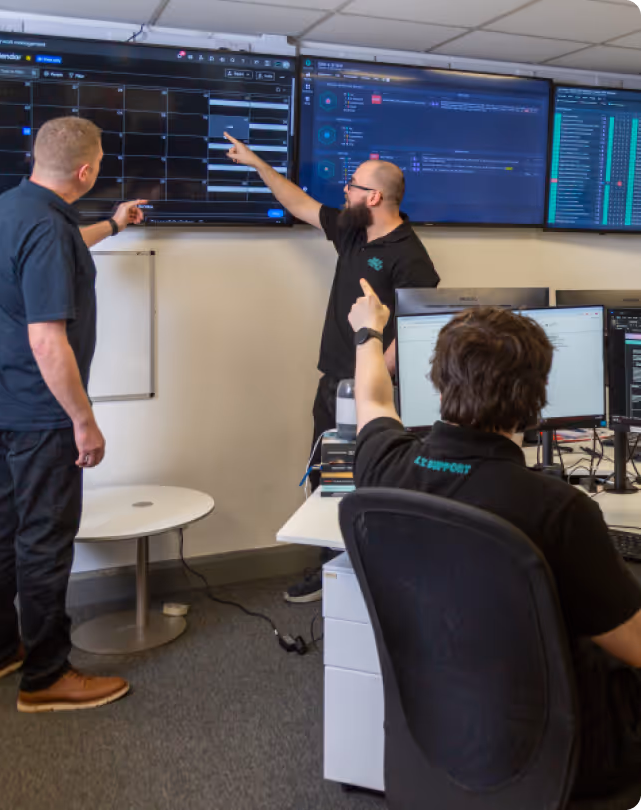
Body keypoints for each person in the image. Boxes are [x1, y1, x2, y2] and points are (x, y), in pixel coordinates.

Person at [348, 280, 641, 798]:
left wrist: (368, 333)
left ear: (439, 382)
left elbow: (372, 398)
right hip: (568, 751)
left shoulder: (385, 467)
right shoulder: (560, 510)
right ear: (535, 402)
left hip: (442, 730)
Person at [0, 116, 147, 713]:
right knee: (45, 541)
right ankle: (46, 678)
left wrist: (114, 225)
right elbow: (49, 340)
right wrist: (83, 419)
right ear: (86, 170)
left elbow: (61, 248)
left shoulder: (13, 207)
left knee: (0, 528)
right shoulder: (47, 228)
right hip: (40, 418)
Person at [224, 133, 440, 602]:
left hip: (376, 395)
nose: (345, 191)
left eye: (353, 185)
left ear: (375, 197)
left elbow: (418, 328)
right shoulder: (352, 231)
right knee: (329, 476)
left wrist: (373, 378)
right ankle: (331, 571)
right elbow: (300, 204)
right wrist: (256, 162)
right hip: (334, 385)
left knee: (372, 483)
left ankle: (375, 577)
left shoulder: (411, 255)